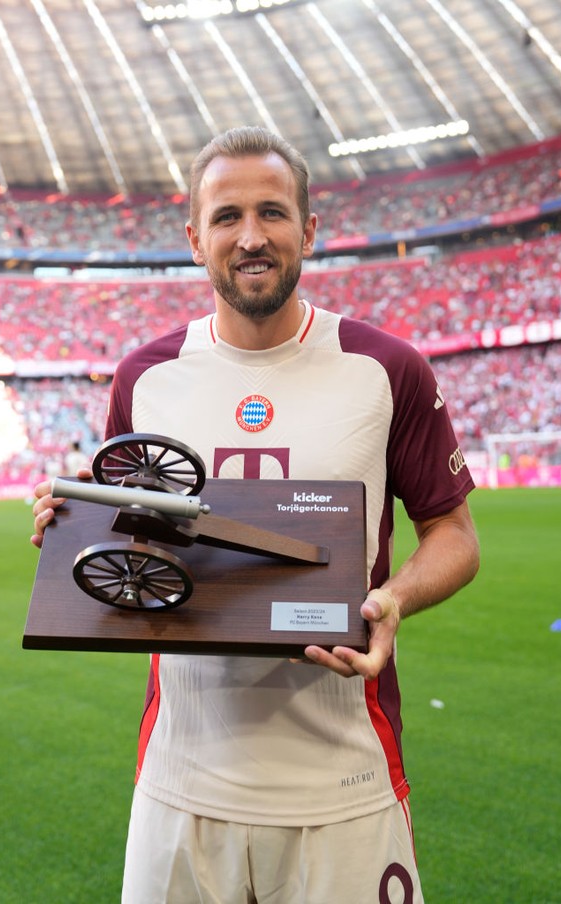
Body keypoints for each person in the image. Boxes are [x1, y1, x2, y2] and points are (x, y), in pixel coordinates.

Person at [31, 126, 480, 903]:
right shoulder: (144, 377)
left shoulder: (386, 368)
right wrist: (70, 514)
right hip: (181, 784)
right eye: (227, 216)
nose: (251, 237)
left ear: (308, 228)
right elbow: (128, 531)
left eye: (272, 212)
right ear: (195, 238)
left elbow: (454, 535)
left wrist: (392, 600)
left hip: (344, 781)